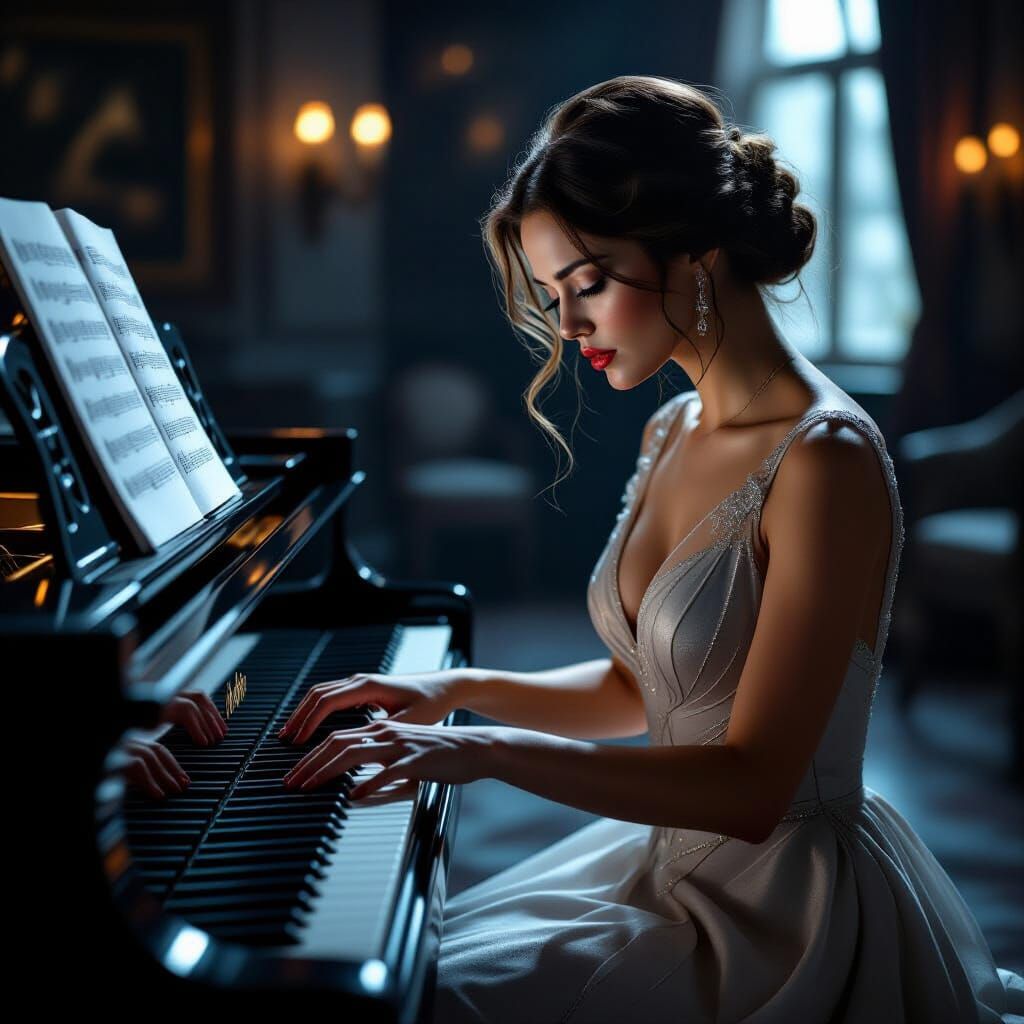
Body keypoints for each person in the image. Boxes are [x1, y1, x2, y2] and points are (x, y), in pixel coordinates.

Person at [279, 76, 1024, 1022]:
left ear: (696, 254)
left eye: (588, 284)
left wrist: (487, 750)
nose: (568, 326)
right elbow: (639, 690)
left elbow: (754, 788)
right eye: (554, 295)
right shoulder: (671, 428)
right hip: (665, 867)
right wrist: (454, 691)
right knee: (413, 982)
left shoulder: (825, 459)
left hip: (778, 919)